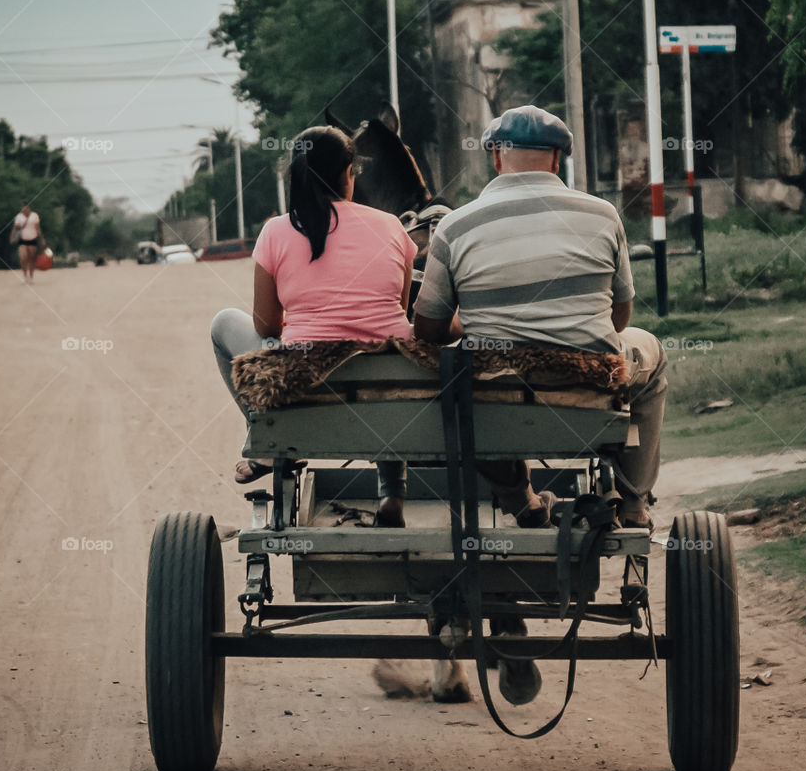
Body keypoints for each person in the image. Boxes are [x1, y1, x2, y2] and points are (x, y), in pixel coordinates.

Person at [412, 104, 667, 530]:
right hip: (588, 384)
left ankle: (522, 501)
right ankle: (633, 501)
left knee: (461, 377)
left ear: (496, 156)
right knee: (653, 354)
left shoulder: (455, 226)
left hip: (493, 396)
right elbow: (619, 320)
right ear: (556, 159)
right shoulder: (602, 214)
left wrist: (471, 323)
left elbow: (429, 330)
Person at [211, 126, 417, 527]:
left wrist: (307, 319)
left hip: (305, 389)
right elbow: (400, 311)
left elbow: (266, 324)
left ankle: (266, 438)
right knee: (385, 342)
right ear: (348, 173)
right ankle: (392, 491)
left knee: (223, 323)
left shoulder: (276, 230)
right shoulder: (392, 226)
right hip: (392, 395)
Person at [10, 202, 42, 282]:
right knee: (23, 257)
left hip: (32, 238)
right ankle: (25, 275)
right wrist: (12, 237)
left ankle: (31, 276)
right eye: (22, 209)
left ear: (28, 208)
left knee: (31, 259)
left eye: (25, 208)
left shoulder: (34, 216)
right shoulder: (19, 217)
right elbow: (15, 228)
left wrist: (41, 238)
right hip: (22, 239)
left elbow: (37, 228)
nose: (24, 210)